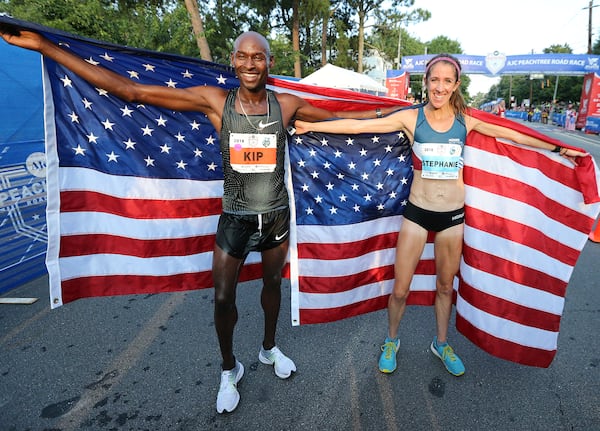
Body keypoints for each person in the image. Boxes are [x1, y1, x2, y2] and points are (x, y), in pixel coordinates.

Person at [0, 25, 394, 413]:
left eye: (258, 56)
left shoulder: (286, 105)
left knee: (273, 286)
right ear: (233, 62)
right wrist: (43, 46)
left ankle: (269, 348)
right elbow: (131, 90)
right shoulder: (215, 101)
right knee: (223, 297)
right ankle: (229, 369)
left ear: (269, 62)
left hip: (275, 218)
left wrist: (401, 115)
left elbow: (346, 121)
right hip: (235, 219)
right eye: (243, 56)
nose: (251, 63)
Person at [294, 53, 587, 377]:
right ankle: (391, 340)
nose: (440, 86)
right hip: (417, 214)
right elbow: (361, 126)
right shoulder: (411, 118)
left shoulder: (466, 119)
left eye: (447, 81)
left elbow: (513, 135)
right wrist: (312, 126)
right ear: (426, 82)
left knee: (445, 287)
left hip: (452, 219)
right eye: (435, 80)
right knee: (401, 288)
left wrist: (559, 149)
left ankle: (442, 343)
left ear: (456, 84)